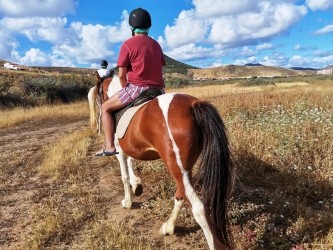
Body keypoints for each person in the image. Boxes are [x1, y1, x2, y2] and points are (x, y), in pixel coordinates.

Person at [95, 8, 166, 157]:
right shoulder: (156, 45)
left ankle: (109, 146)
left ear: (132, 27)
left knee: (106, 108)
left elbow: (122, 75)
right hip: (159, 90)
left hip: (137, 89)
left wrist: (125, 88)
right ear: (149, 26)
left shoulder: (127, 45)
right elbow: (160, 68)